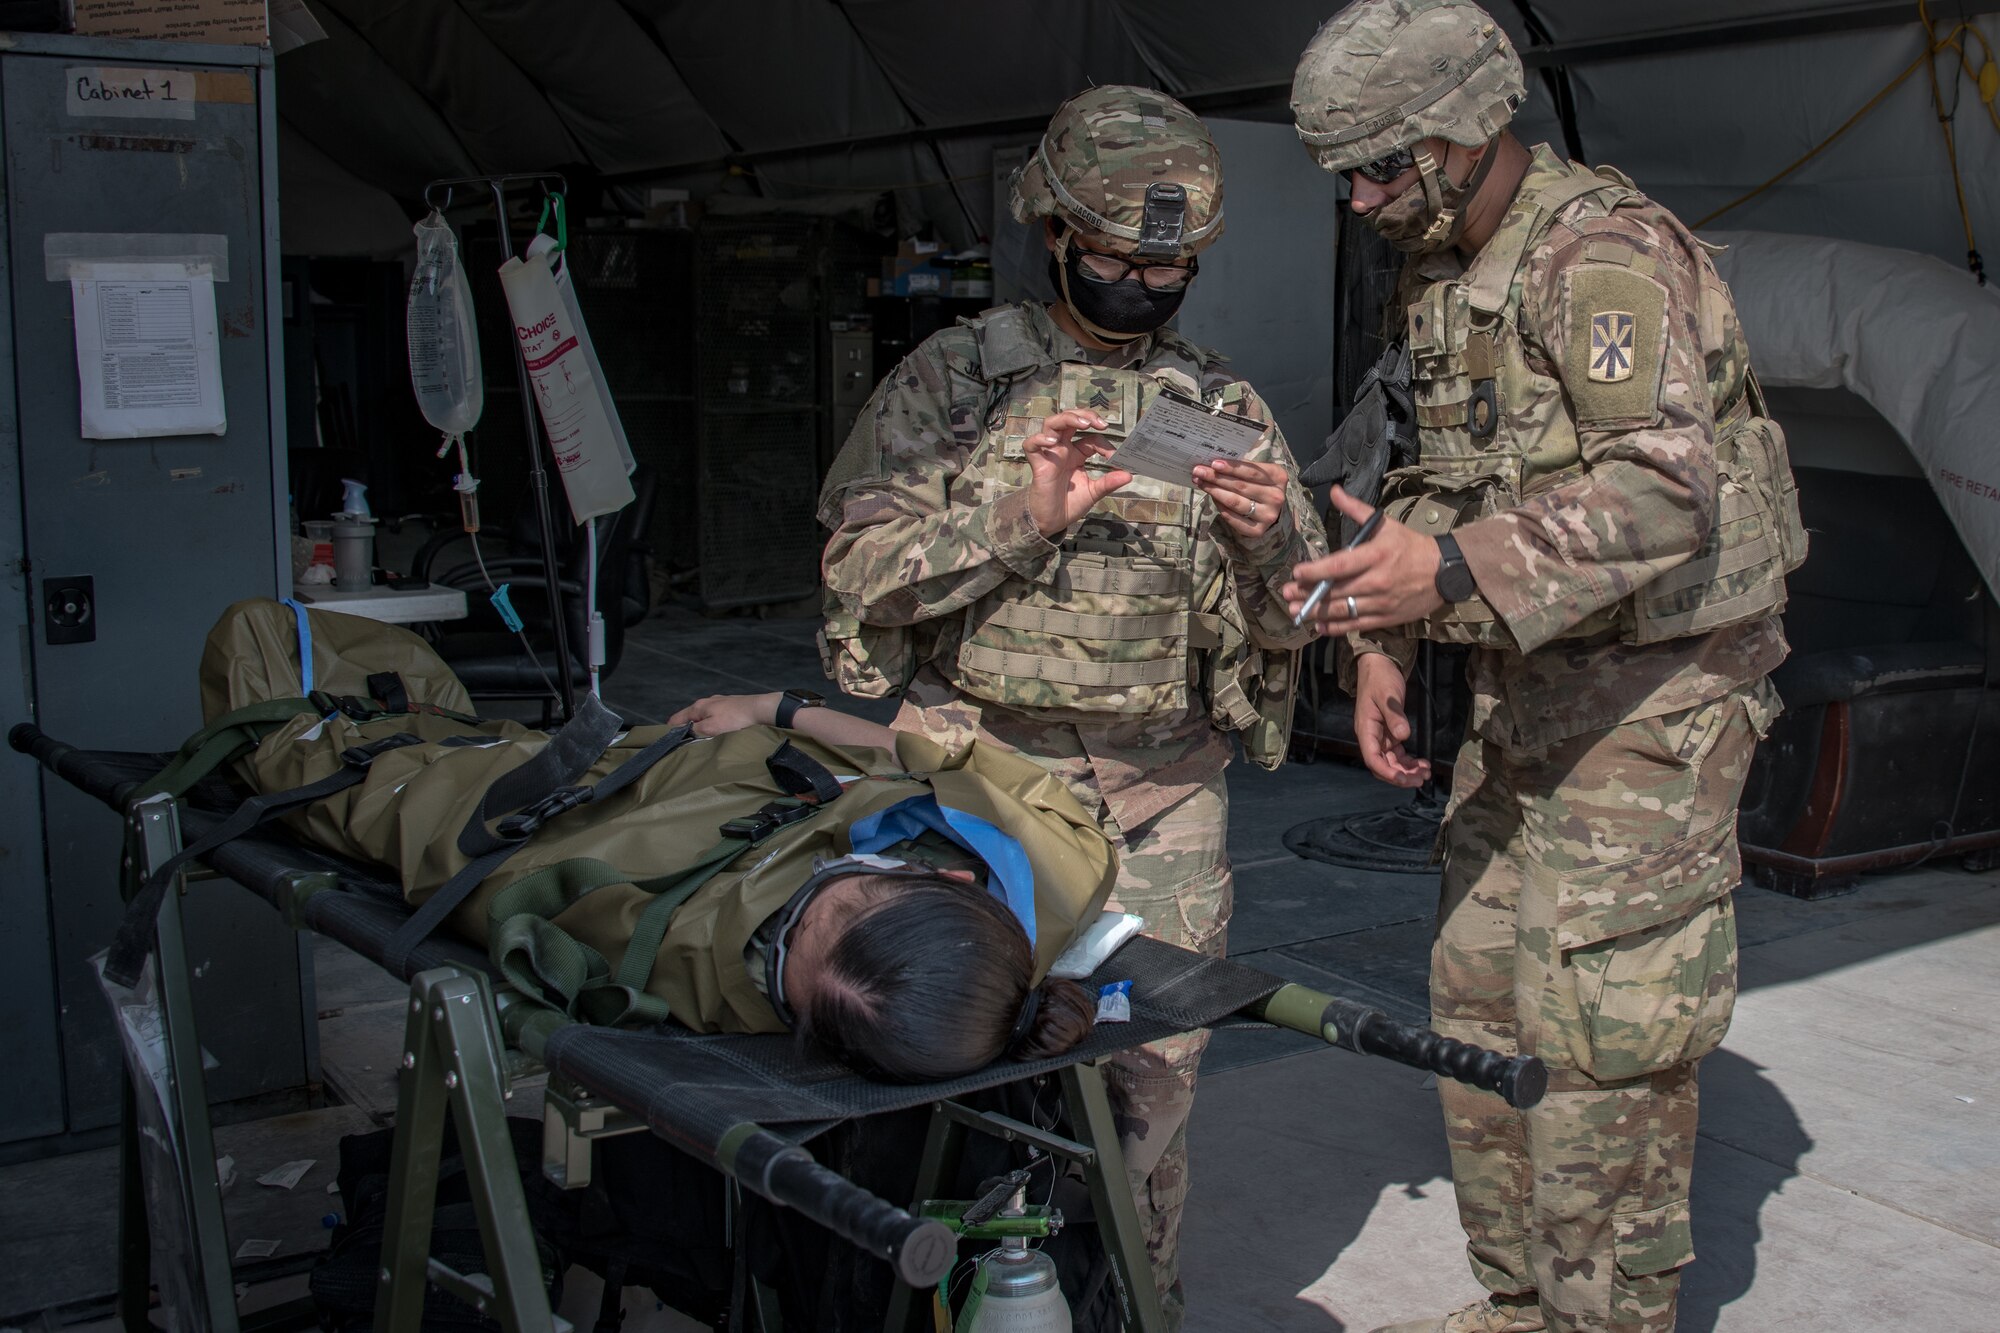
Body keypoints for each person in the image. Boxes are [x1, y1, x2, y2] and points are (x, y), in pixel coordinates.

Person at [1284, 4, 1804, 1333]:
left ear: (1465, 131)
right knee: (1477, 999)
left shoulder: (1603, 256)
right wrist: (1387, 646)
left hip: (1652, 702)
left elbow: (1667, 491)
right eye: (1344, 169)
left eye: (1382, 166)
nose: (1359, 198)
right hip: (1526, 685)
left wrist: (1449, 577)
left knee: (1597, 1041)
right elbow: (1424, 472)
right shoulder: (1448, 263)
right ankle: (1522, 1307)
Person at [817, 86, 1329, 1325]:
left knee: (1147, 1096)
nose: (1143, 286)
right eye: (1114, 257)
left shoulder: (1225, 407)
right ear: (1051, 232)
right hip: (979, 787)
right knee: (949, 1068)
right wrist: (1022, 516)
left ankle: (1125, 1307)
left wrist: (1272, 550)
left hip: (1160, 801)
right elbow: (856, 569)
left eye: (1170, 267)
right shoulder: (957, 381)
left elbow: (1295, 620)